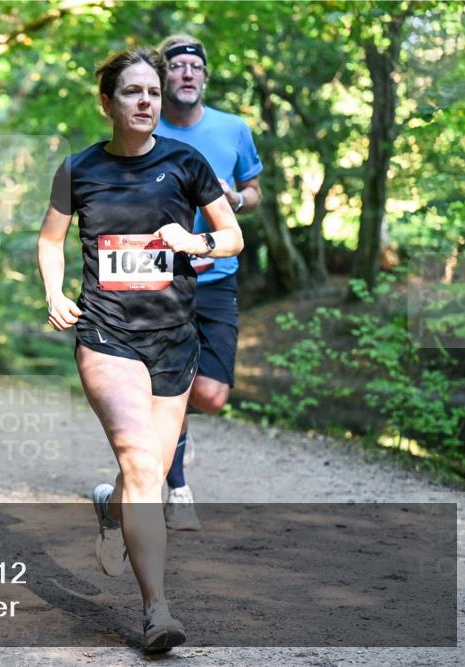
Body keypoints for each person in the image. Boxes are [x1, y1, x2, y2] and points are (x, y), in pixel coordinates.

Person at [37, 48, 242, 652]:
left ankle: (113, 509)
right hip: (106, 333)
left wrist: (196, 239)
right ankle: (157, 611)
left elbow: (231, 237)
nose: (147, 101)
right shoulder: (80, 169)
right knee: (142, 463)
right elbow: (50, 241)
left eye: (152, 91)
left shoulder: (187, 161)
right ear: (109, 103)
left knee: (144, 468)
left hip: (175, 340)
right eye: (132, 92)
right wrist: (54, 293)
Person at [155, 35, 263, 531]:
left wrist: (234, 200)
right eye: (176, 66)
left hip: (217, 274)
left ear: (204, 76)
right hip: (159, 278)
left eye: (195, 66)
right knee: (167, 385)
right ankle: (177, 486)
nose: (186, 73)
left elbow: (254, 190)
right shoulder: (144, 129)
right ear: (163, 77)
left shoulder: (233, 128)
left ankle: (177, 432)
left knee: (211, 396)